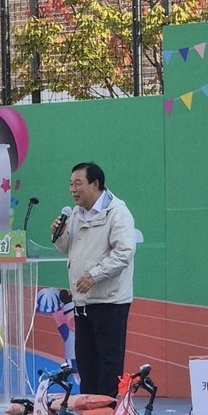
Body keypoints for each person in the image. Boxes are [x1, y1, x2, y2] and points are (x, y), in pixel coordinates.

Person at [51, 162, 136, 399]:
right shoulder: (75, 213)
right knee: (86, 363)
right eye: (70, 184)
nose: (72, 189)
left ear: (95, 184)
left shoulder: (117, 212)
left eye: (78, 184)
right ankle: (88, 412)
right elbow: (66, 247)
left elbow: (124, 252)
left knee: (108, 364)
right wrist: (59, 234)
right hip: (82, 302)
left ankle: (107, 412)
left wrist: (94, 275)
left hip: (110, 301)